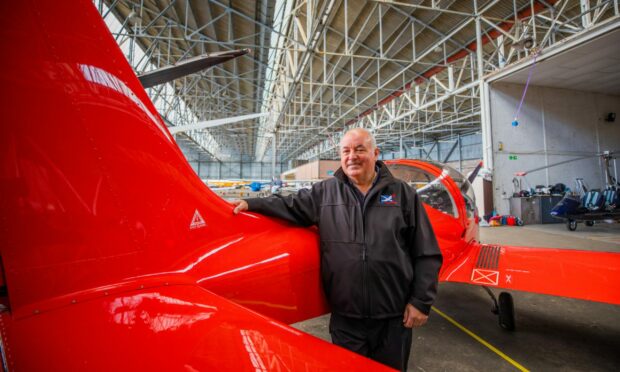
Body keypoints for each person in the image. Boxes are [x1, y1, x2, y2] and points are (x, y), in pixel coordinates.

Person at [231, 128, 442, 371]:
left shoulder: (402, 194)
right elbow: (289, 204)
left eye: (360, 149)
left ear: (375, 153)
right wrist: (251, 203)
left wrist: (420, 302)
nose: (352, 156)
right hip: (346, 319)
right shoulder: (325, 192)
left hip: (393, 319)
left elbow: (426, 252)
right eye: (346, 151)